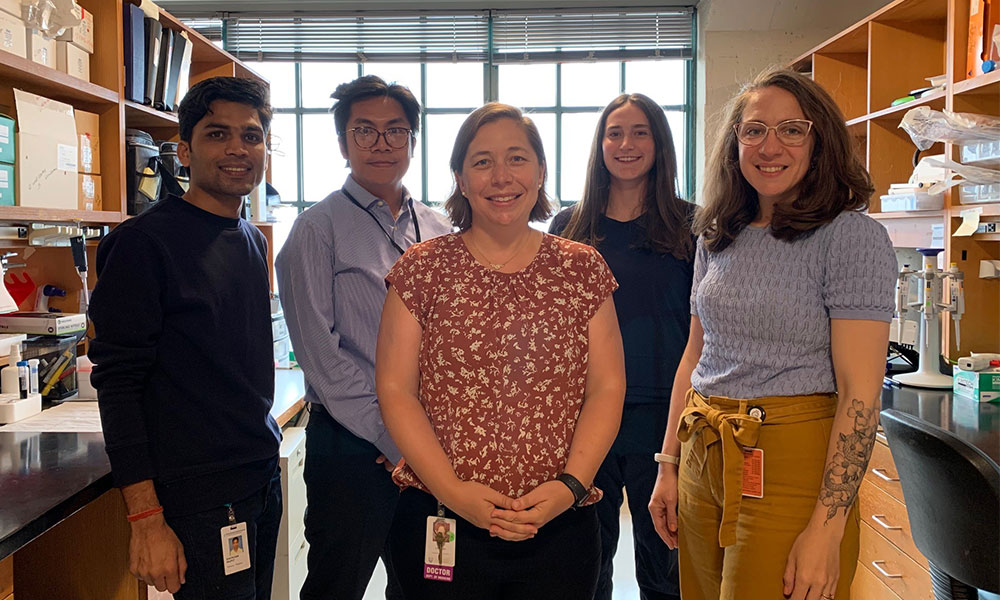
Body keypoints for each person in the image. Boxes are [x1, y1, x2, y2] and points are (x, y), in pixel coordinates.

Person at [648, 68, 897, 600]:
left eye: (792, 129)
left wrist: (827, 530)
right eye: (754, 130)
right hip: (702, 451)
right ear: (734, 142)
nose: (770, 146)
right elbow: (696, 354)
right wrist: (668, 464)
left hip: (791, 464)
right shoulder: (717, 233)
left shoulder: (851, 237)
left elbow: (859, 396)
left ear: (820, 140)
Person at [376, 103, 627, 600]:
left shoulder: (581, 269)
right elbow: (395, 389)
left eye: (517, 158)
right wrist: (453, 492)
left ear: (540, 172)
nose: (501, 176)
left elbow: (607, 386)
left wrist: (569, 486)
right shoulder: (422, 269)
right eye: (482, 161)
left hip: (559, 520)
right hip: (443, 518)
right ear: (461, 179)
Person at [90, 76, 282, 599]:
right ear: (184, 150)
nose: (239, 148)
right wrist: (147, 518)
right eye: (218, 134)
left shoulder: (248, 239)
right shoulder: (142, 245)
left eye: (252, 135)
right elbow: (119, 383)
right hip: (201, 498)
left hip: (259, 479)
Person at [275, 75, 451, 600]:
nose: (382, 144)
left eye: (396, 132)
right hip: (356, 445)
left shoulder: (439, 228)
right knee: (337, 582)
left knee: (428, 582)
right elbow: (323, 358)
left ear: (414, 142)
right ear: (342, 142)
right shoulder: (316, 229)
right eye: (365, 132)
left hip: (432, 443)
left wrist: (426, 437)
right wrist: (393, 434)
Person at [550, 92, 691, 600]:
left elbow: (704, 334)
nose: (626, 144)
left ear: (659, 144)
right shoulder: (568, 228)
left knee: (665, 569)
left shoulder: (691, 227)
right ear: (600, 144)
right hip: (587, 416)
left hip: (667, 420)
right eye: (614, 132)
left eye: (639, 132)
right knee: (587, 565)